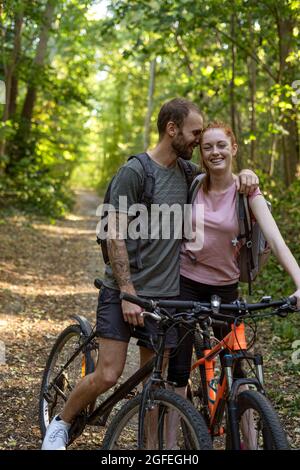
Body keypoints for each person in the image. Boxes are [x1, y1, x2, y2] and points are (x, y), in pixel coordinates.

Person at [41, 100, 259, 450]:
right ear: (172, 130)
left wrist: (248, 176)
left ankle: (153, 448)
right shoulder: (135, 173)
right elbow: (114, 231)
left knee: (155, 387)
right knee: (109, 373)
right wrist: (128, 291)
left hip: (167, 299)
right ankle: (61, 423)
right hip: (124, 293)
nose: (198, 140)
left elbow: (223, 182)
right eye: (195, 132)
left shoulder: (188, 174)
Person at [167, 120, 300, 449]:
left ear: (234, 148)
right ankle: (167, 448)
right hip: (186, 284)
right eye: (208, 147)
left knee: (239, 373)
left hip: (226, 289)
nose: (215, 152)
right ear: (201, 152)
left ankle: (251, 445)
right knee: (179, 373)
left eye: (221, 145)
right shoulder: (194, 184)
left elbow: (277, 241)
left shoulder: (246, 192)